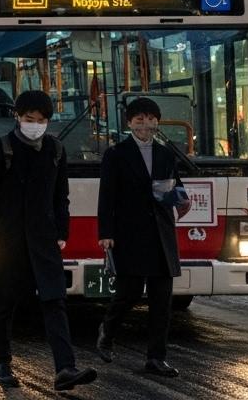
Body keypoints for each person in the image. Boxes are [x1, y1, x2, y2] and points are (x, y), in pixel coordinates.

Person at [0, 90, 96, 391]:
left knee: (55, 301)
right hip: (8, 242)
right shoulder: (1, 149)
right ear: (17, 116)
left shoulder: (55, 149)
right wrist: (0, 228)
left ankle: (65, 368)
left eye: (41, 120)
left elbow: (60, 196)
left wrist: (62, 232)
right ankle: (2, 363)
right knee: (5, 304)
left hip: (44, 240)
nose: (35, 125)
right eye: (30, 119)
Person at [94, 98, 185, 378]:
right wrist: (105, 233)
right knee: (128, 293)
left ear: (158, 122)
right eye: (139, 119)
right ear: (129, 123)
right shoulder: (116, 154)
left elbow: (176, 187)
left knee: (162, 300)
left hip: (161, 233)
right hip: (129, 233)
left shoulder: (167, 153)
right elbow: (106, 195)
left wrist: (179, 198)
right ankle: (107, 331)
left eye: (150, 119)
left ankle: (156, 357)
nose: (145, 124)